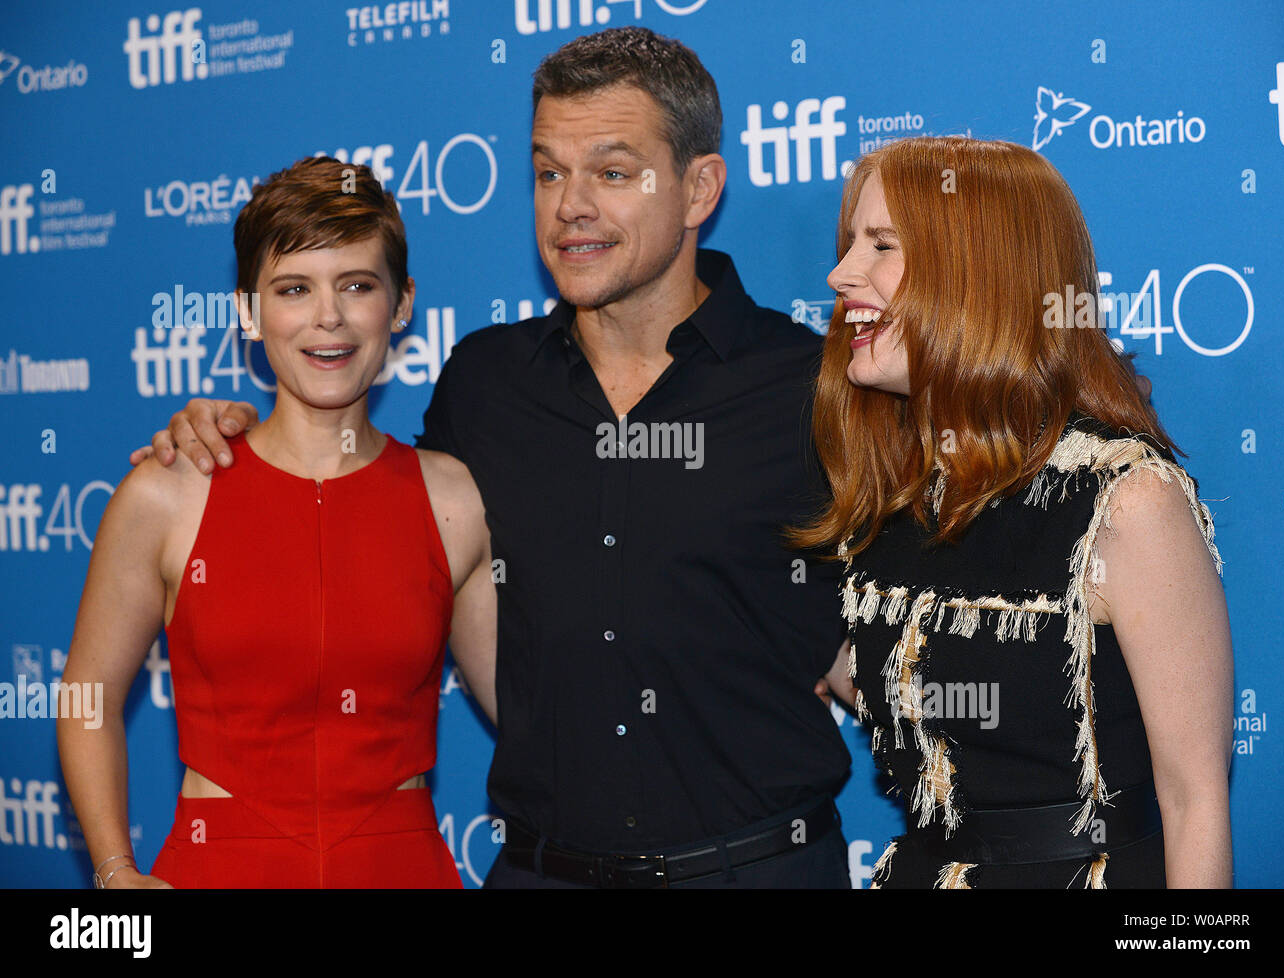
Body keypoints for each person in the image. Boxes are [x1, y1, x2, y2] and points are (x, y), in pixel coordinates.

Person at [129, 28, 853, 888]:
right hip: (542, 871)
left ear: (700, 188)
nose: (570, 206)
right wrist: (226, 435)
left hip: (758, 869)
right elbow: (366, 515)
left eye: (612, 174)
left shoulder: (814, 389)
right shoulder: (484, 384)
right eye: (549, 172)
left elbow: (904, 629)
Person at [800, 136, 1233, 888]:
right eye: (850, 245)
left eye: (881, 246)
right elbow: (915, 687)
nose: (842, 275)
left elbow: (1195, 802)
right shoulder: (897, 491)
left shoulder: (1125, 500)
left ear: (978, 274)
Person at [59, 156, 494, 888]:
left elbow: (531, 709)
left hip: (401, 867)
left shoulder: (454, 500)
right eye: (294, 289)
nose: (329, 316)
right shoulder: (170, 491)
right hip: (219, 869)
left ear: (403, 302)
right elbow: (86, 697)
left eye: (357, 285)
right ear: (249, 313)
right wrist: (114, 874)